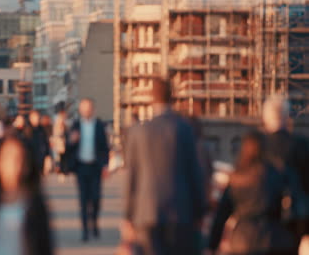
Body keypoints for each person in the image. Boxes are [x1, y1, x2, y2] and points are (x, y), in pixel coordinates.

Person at [122, 79, 206, 255]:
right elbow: (195, 172)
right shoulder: (185, 129)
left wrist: (128, 215)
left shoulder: (138, 131)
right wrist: (199, 212)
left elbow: (132, 176)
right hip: (181, 211)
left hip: (146, 212)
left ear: (152, 100)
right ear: (172, 97)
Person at [208, 131, 298, 255]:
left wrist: (212, 244)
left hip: (243, 238)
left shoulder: (237, 178)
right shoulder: (278, 174)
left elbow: (222, 214)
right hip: (273, 237)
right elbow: (292, 206)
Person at [262, 96, 309, 240]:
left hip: (264, 220)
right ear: (287, 116)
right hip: (294, 220)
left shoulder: (259, 146)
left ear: (265, 117)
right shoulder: (302, 145)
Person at [68, 98, 109, 242]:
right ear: (80, 110)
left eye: (88, 108)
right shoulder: (75, 125)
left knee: (96, 198)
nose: (86, 111)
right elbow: (68, 147)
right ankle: (85, 231)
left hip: (95, 167)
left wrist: (105, 165)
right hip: (81, 167)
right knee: (83, 200)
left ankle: (95, 223)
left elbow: (105, 147)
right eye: (83, 108)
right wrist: (72, 141)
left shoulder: (99, 125)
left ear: (93, 109)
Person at [28, 110, 50, 175]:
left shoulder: (41, 129)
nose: (36, 119)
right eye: (34, 117)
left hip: (40, 159)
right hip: (30, 160)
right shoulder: (27, 130)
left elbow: (46, 144)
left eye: (37, 117)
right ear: (30, 118)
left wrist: (47, 157)